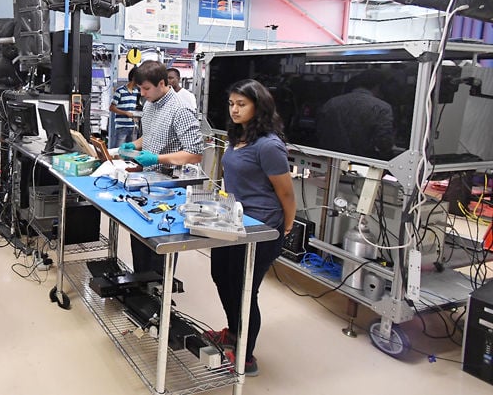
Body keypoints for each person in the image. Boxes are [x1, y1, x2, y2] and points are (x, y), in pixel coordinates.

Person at [208, 79, 296, 377]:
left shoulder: (269, 145)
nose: (234, 109)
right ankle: (234, 331)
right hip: (231, 221)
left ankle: (246, 356)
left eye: (241, 104)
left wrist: (286, 225)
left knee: (245, 289)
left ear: (258, 106)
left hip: (260, 228)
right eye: (232, 103)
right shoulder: (237, 137)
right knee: (221, 275)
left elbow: (285, 192)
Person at [121, 60, 204, 274]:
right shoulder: (149, 105)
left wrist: (157, 157)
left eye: (146, 88)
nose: (143, 94)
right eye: (140, 89)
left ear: (161, 83)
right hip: (148, 180)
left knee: (161, 238)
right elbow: (149, 135)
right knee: (139, 233)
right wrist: (135, 145)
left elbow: (194, 154)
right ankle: (140, 282)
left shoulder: (181, 109)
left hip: (171, 185)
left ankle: (159, 289)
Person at [316, 69, 395, 159]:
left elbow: (320, 132)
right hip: (363, 162)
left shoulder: (331, 103)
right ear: (379, 86)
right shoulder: (382, 108)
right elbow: (384, 143)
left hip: (330, 159)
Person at [109, 66, 141, 148]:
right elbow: (111, 108)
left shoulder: (136, 92)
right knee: (118, 150)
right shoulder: (120, 91)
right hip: (122, 126)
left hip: (133, 126)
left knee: (130, 151)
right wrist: (125, 113)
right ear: (134, 78)